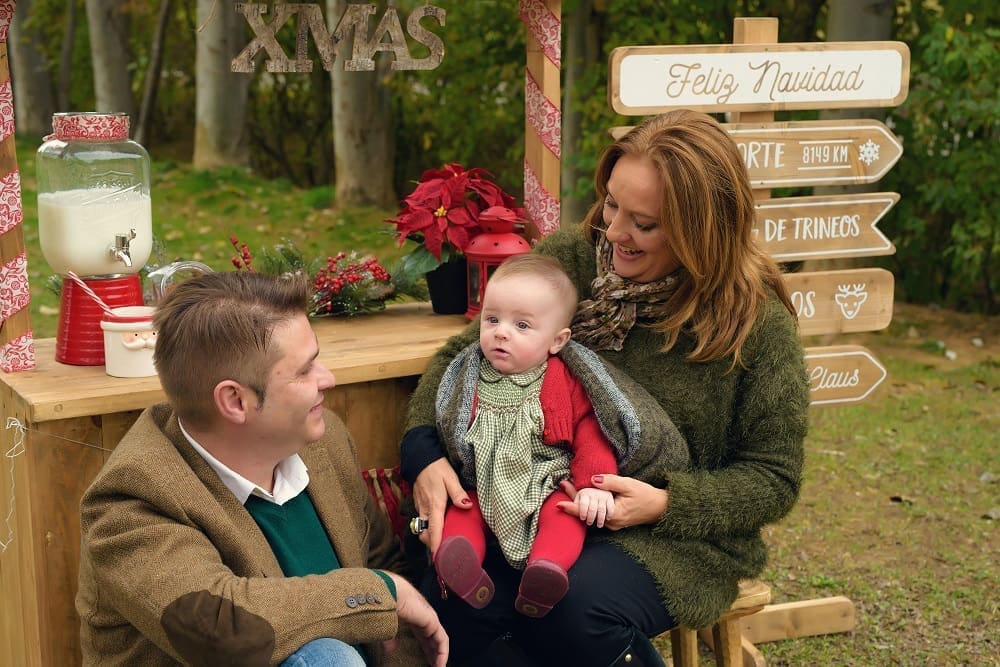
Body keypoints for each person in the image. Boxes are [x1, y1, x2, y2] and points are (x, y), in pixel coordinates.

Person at [400, 109, 810, 666]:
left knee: (571, 606)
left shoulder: (756, 325)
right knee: (457, 600)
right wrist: (423, 453)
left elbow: (772, 478)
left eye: (645, 223)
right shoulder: (576, 259)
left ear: (702, 232)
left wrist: (664, 504)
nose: (614, 232)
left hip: (673, 536)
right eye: (612, 204)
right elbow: (464, 355)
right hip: (533, 500)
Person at [76, 271, 448, 666]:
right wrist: (378, 593)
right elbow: (224, 630)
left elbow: (384, 567)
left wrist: (388, 600)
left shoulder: (322, 441)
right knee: (325, 657)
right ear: (235, 401)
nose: (328, 379)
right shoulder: (132, 499)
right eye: (304, 371)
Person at [433, 254, 619, 619]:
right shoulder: (470, 375)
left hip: (546, 483)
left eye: (521, 325)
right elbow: (450, 421)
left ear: (557, 340)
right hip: (485, 483)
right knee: (462, 510)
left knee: (566, 514)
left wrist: (593, 483)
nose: (501, 332)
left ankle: (545, 570)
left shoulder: (562, 379)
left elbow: (591, 428)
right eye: (492, 319)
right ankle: (462, 567)